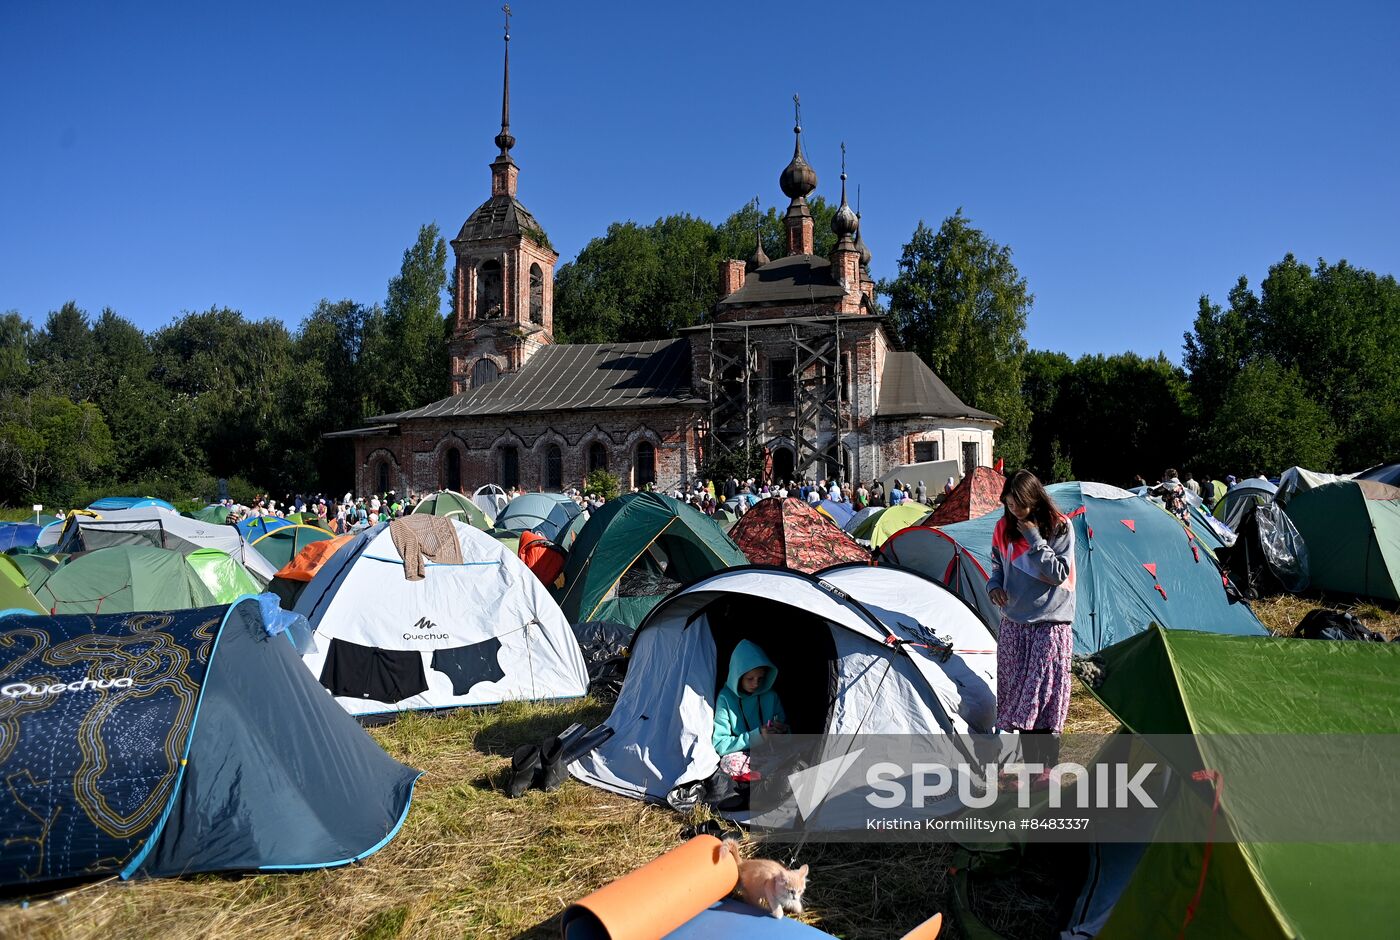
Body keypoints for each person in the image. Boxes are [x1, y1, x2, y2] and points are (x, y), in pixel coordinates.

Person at [987, 470, 1076, 787]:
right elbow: (997, 565)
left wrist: (1034, 537)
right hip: (1014, 622)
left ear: (1033, 498)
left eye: (1019, 504)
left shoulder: (1060, 526)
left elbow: (1058, 574)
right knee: (1017, 695)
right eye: (1009, 504)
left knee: (1042, 694)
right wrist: (993, 585)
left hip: (1049, 622)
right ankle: (1023, 768)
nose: (1013, 510)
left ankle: (1047, 769)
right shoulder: (1003, 528)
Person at [712, 640, 788, 779]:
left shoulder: (771, 695)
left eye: (760, 678)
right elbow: (720, 744)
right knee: (729, 763)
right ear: (738, 676)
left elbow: (786, 729)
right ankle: (768, 776)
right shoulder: (726, 698)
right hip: (743, 755)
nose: (756, 684)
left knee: (801, 746)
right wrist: (757, 735)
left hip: (769, 751)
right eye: (750, 678)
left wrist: (781, 730)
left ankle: (765, 775)